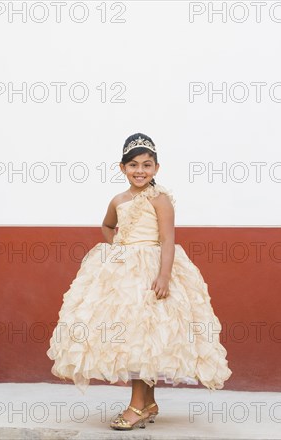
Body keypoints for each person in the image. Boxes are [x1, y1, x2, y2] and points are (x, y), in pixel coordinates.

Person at [46, 133, 232, 430]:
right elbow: (107, 226)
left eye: (147, 165)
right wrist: (118, 246)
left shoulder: (161, 200)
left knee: (148, 334)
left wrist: (164, 275)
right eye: (133, 165)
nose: (140, 171)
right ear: (122, 168)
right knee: (133, 333)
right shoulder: (118, 200)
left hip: (153, 269)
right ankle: (147, 402)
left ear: (157, 168)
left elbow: (169, 240)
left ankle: (136, 405)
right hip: (122, 273)